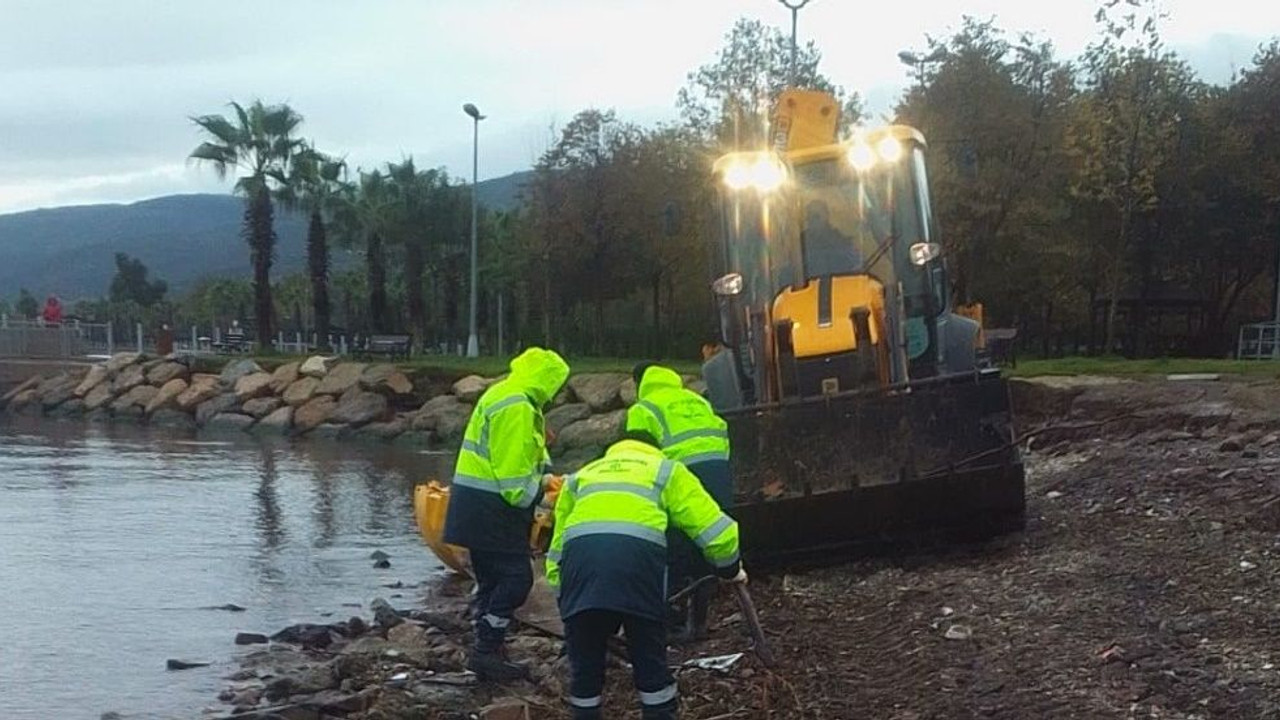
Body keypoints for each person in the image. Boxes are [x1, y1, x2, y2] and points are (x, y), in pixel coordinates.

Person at [547, 430, 745, 720]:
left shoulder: (581, 476)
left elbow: (557, 548)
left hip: (581, 570)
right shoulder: (666, 469)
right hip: (636, 567)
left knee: (585, 669)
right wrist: (730, 569)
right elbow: (717, 530)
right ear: (654, 449)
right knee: (648, 659)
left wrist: (565, 595)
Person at [442, 347, 570, 681]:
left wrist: (542, 471)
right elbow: (514, 484)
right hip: (492, 511)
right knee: (516, 579)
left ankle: (487, 646)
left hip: (472, 505)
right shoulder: (518, 406)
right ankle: (486, 649)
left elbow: (506, 456)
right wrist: (543, 490)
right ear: (549, 381)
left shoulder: (505, 394)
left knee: (491, 580)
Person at [626, 362, 733, 643]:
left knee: (672, 549)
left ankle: (671, 623)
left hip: (681, 478)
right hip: (718, 475)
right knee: (706, 546)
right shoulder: (697, 400)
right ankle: (698, 622)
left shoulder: (644, 409)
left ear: (640, 383)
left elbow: (638, 456)